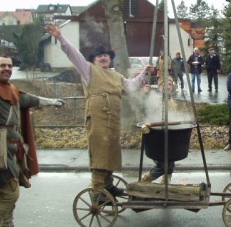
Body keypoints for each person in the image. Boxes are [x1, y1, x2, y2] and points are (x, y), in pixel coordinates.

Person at [44, 24, 153, 200]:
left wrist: (145, 73)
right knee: (100, 151)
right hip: (97, 118)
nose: (103, 58)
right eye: (99, 56)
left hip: (113, 119)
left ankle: (108, 186)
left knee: (110, 150)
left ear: (110, 59)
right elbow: (74, 54)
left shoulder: (116, 76)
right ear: (94, 60)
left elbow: (132, 87)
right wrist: (60, 38)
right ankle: (97, 191)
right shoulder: (88, 71)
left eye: (106, 56)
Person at [0, 57, 64, 227]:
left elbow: (30, 99)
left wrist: (52, 101)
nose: (6, 69)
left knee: (10, 194)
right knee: (10, 193)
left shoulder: (12, 89)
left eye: (10, 66)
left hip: (12, 149)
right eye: (2, 65)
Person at [141, 76, 177, 183]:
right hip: (156, 135)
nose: (167, 87)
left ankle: (166, 180)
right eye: (164, 84)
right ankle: (146, 179)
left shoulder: (171, 100)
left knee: (170, 159)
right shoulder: (154, 98)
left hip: (170, 134)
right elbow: (144, 106)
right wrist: (146, 94)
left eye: (170, 84)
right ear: (160, 87)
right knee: (163, 163)